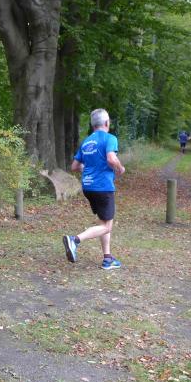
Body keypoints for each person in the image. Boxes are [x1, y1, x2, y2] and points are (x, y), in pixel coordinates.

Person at [62, 108, 126, 270]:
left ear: (93, 125)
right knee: (107, 226)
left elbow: (74, 166)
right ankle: (75, 240)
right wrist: (120, 168)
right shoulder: (110, 138)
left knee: (104, 221)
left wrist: (89, 168)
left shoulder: (87, 142)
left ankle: (107, 259)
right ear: (106, 123)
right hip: (103, 187)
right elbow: (111, 158)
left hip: (88, 186)